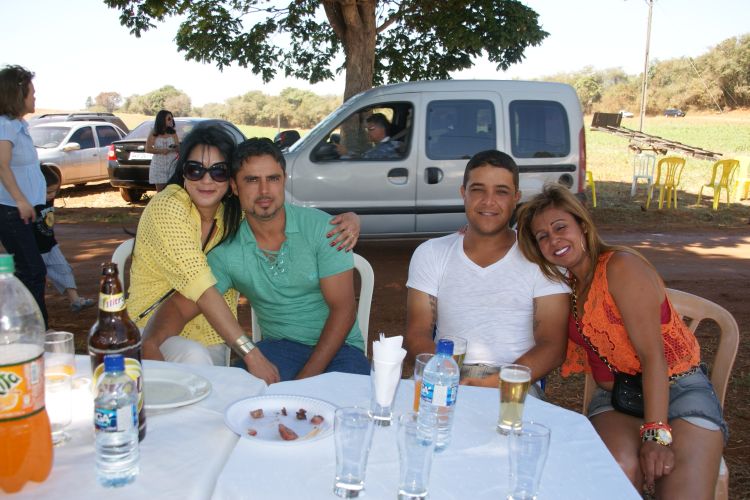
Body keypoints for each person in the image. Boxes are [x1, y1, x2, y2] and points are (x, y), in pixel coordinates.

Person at [516, 183, 726, 498]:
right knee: (614, 475)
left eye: (560, 227)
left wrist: (655, 436)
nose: (553, 240)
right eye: (542, 236)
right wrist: (474, 233)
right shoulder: (567, 284)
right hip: (618, 400)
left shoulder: (621, 267)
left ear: (582, 225)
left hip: (678, 389)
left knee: (683, 492)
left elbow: (653, 357)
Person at [129, 127, 360, 383]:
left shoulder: (323, 229)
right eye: (251, 180)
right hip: (278, 347)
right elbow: (184, 303)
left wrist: (304, 382)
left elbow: (344, 310)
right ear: (235, 187)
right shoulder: (225, 245)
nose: (264, 191)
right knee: (236, 391)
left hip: (340, 349)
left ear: (284, 180)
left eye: (273, 178)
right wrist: (151, 341)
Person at [404, 150, 569, 393]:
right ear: (464, 193)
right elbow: (417, 332)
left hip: (512, 379)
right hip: (445, 372)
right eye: (478, 190)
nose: (488, 201)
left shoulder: (541, 258)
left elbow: (552, 346)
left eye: (501, 191)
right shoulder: (431, 252)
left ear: (516, 198)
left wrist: (495, 382)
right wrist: (443, 373)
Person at [0, 65, 48, 327]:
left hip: (23, 210)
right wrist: (20, 200)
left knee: (31, 270)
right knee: (32, 270)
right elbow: (2, 165)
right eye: (32, 92)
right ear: (18, 95)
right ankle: (33, 328)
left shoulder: (18, 125)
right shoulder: (5, 126)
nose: (35, 97)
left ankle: (30, 326)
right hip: (11, 210)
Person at [33, 166, 95, 312]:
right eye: (48, 192)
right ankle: (33, 307)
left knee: (64, 269)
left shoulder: (49, 200)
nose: (52, 195)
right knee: (35, 278)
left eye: (55, 191)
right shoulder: (31, 204)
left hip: (51, 245)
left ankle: (75, 300)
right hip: (34, 249)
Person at [335, 113, 402, 160]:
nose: (368, 133)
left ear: (383, 128)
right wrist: (347, 152)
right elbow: (362, 157)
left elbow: (361, 162)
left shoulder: (381, 151)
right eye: (367, 130)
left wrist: (345, 154)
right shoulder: (395, 144)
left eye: (371, 129)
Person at [145, 109, 179, 192]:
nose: (171, 120)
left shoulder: (173, 132)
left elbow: (178, 148)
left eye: (172, 118)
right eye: (169, 119)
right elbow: (147, 149)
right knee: (160, 192)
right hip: (158, 166)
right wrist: (161, 151)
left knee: (172, 191)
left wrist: (174, 148)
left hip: (172, 165)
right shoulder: (154, 132)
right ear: (162, 120)